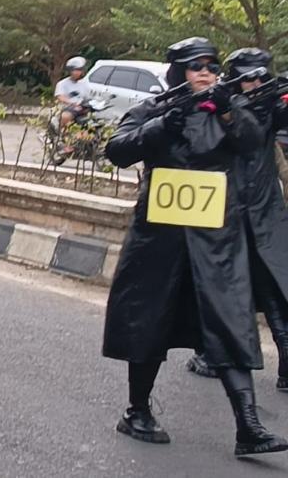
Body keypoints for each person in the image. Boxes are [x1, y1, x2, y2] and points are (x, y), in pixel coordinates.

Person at [104, 37, 288, 456]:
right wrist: (162, 126)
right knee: (149, 324)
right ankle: (137, 410)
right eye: (194, 66)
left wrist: (227, 110)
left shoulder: (227, 107)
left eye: (210, 66)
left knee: (232, 324)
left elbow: (252, 140)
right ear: (177, 72)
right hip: (160, 240)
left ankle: (249, 426)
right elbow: (117, 149)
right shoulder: (155, 109)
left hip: (216, 241)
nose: (204, 73)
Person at [184, 49, 288, 387]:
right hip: (226, 210)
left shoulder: (270, 105)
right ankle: (216, 354)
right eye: (247, 77)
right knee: (226, 288)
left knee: (271, 288)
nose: (254, 83)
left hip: (259, 210)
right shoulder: (220, 104)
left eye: (260, 77)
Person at [55, 56, 90, 132]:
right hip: (69, 108)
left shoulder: (84, 83)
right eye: (75, 70)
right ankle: (61, 134)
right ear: (70, 71)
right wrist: (72, 103)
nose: (77, 72)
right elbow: (60, 96)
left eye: (80, 70)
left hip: (82, 108)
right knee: (65, 117)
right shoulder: (62, 84)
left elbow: (87, 97)